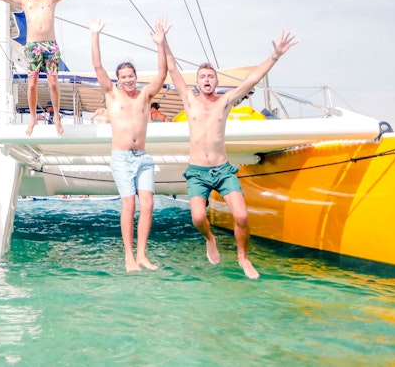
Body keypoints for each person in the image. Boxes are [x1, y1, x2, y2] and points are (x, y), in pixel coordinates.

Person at [167, 31, 298, 280]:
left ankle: (243, 258)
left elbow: (251, 80)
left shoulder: (225, 101)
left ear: (216, 82)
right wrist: (163, 43)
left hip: (222, 170)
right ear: (197, 82)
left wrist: (275, 55)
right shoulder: (190, 101)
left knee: (242, 215)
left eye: (211, 76)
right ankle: (210, 238)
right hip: (197, 172)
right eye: (202, 76)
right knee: (197, 218)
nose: (207, 79)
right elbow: (173, 69)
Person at [90, 16, 171, 272]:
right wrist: (95, 35)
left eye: (131, 75)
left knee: (147, 205)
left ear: (136, 76)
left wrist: (160, 43)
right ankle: (128, 256)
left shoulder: (145, 95)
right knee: (130, 204)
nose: (128, 79)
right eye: (123, 76)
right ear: (118, 79)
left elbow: (162, 74)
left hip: (143, 158)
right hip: (122, 157)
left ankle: (143, 255)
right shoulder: (112, 95)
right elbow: (97, 66)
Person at [0, 0, 79, 136]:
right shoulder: (25, 1)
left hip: (50, 45)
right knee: (32, 84)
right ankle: (32, 118)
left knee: (53, 82)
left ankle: (56, 117)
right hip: (33, 46)